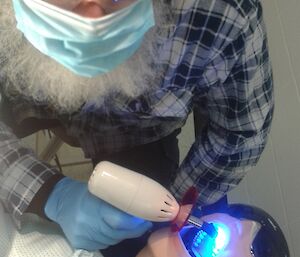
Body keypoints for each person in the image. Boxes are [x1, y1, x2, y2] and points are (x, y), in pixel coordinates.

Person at [0, 0, 273, 256]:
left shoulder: (222, 13)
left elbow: (240, 134)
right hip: (25, 100)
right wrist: (45, 191)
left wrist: (176, 203)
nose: (92, 21)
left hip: (137, 131)